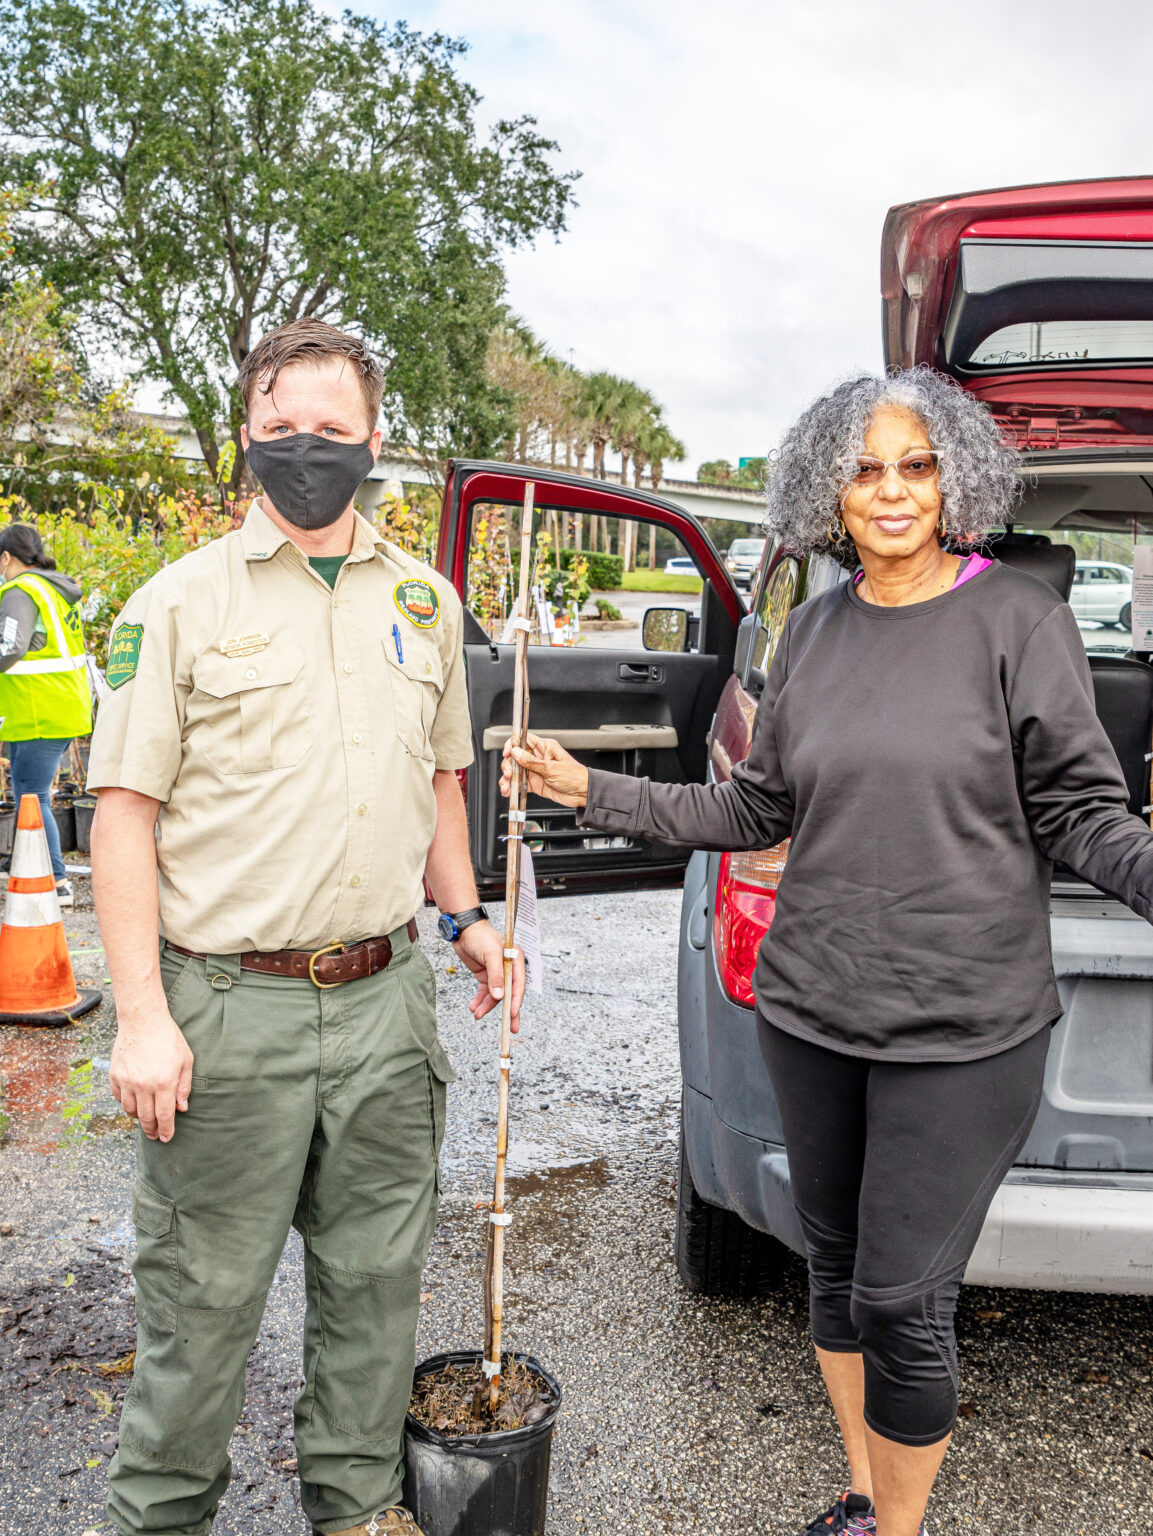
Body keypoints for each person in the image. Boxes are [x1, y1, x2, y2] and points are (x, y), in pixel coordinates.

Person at [502, 366, 1153, 1536]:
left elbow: (1080, 814)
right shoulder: (814, 630)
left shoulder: (1019, 621)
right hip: (813, 1015)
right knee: (838, 1276)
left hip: (963, 1031)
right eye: (865, 469)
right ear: (827, 490)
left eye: (916, 465)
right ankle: (862, 1496)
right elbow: (754, 811)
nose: (892, 491)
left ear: (956, 477)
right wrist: (592, 790)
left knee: (905, 1302)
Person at [88, 317, 523, 1536]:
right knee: (202, 1302)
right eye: (281, 430)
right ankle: (159, 1517)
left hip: (386, 1003)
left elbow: (440, 787)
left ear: (375, 439)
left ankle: (356, 1505)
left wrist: (470, 918)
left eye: (332, 431)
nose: (306, 451)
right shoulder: (175, 605)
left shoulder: (427, 604)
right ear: (247, 436)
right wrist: (141, 1018)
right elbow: (122, 817)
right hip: (230, 1012)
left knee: (376, 1283)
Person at [0, 522, 93, 907]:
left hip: (40, 709)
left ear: (6, 557)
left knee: (32, 795)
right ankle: (33, 867)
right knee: (28, 791)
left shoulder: (20, 591)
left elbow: (9, 645)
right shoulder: (54, 587)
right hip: (55, 704)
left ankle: (55, 879)